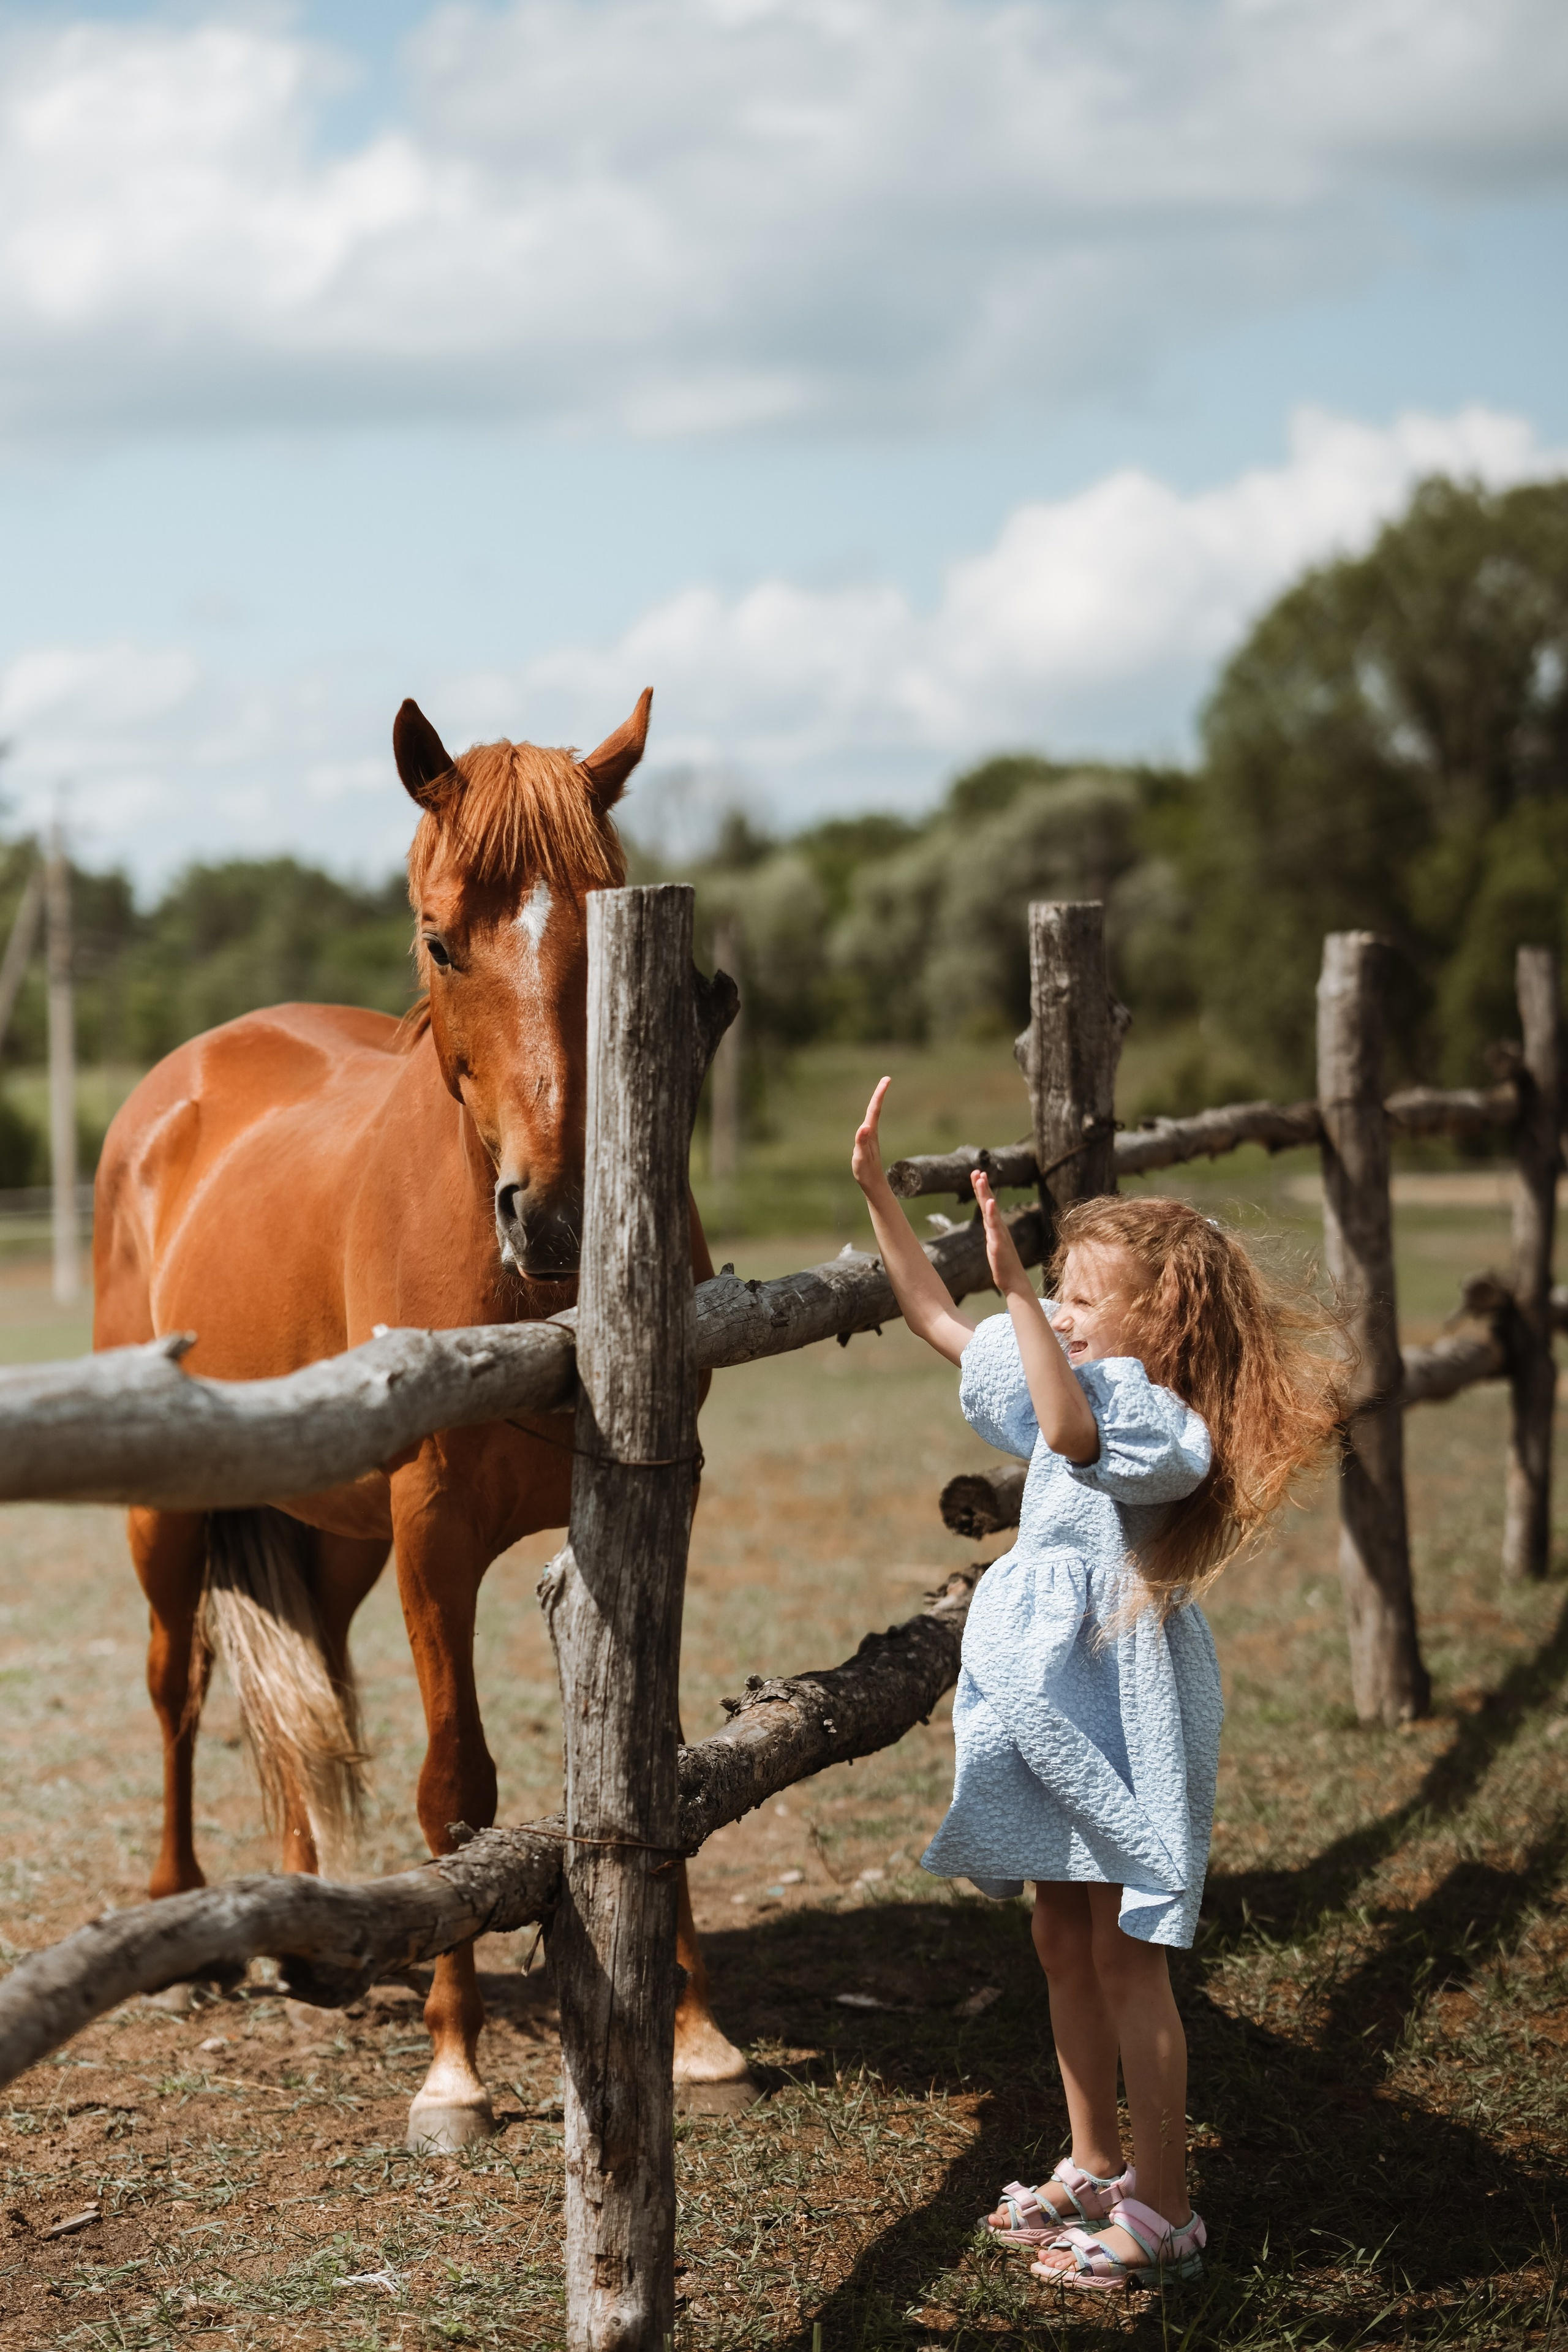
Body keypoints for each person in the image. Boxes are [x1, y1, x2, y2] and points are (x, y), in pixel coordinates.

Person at [851, 1076, 1341, 2293]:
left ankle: (1163, 2210)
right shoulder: (1058, 1370)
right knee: (1058, 1939)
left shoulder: (1158, 1422)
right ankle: (1090, 2158)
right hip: (1041, 1701)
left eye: (1080, 1298)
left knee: (1128, 1953)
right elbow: (933, 1321)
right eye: (1056, 1292)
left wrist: (1019, 1297)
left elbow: (1072, 1436)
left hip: (1120, 1707)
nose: (1058, 1315)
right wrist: (876, 1197)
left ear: (1159, 1323)